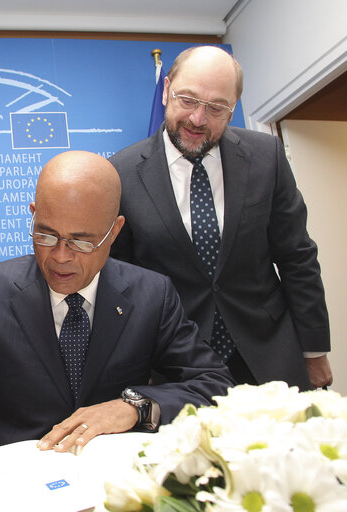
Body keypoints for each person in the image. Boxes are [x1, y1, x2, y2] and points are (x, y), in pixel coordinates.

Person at [0, 150, 233, 486]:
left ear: (114, 232)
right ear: (33, 214)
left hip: (115, 484)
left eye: (81, 242)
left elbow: (214, 385)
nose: (60, 257)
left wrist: (134, 408)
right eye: (45, 234)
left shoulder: (152, 295)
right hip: (12, 485)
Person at [109, 45, 332, 391]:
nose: (198, 119)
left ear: (233, 110)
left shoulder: (266, 157)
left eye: (216, 108)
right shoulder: (120, 173)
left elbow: (297, 258)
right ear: (166, 90)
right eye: (188, 100)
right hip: (175, 364)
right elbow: (119, 282)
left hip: (269, 354)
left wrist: (314, 351)